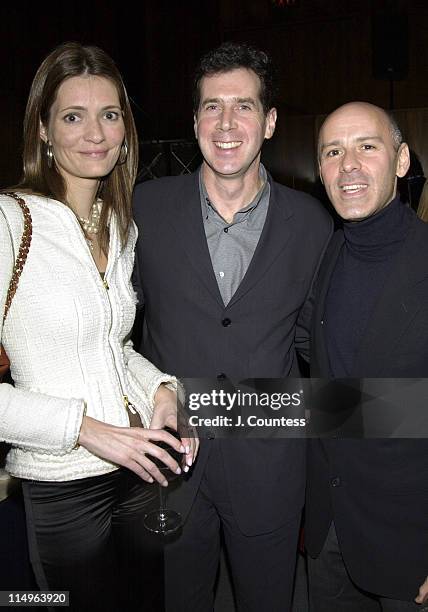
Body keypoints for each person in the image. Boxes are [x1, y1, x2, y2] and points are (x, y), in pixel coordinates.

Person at [133, 41, 332, 611]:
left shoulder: (312, 224)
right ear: (193, 119)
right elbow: (115, 326)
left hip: (268, 467)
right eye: (211, 107)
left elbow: (315, 345)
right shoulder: (144, 210)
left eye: (243, 106)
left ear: (268, 122)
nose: (225, 123)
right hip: (170, 466)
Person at [0, 42, 197, 612]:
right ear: (43, 129)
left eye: (109, 115)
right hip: (64, 487)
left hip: (138, 472)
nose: (95, 133)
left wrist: (162, 391)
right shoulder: (11, 223)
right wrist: (85, 429)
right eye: (73, 116)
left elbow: (112, 347)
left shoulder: (118, 225)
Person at [305, 101, 428, 611]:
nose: (348, 164)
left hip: (409, 541)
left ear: (401, 161)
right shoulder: (330, 252)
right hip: (330, 527)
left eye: (366, 147)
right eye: (333, 151)